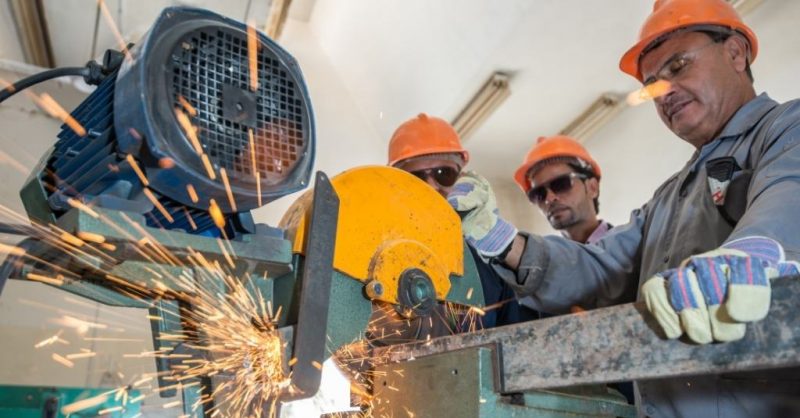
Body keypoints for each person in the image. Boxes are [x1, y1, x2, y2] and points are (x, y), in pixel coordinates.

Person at [449, 0, 800, 416]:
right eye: (652, 85)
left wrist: (755, 254)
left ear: (736, 52)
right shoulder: (669, 196)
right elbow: (601, 268)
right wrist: (502, 240)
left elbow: (788, 192)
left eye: (678, 66)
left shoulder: (784, 129)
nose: (664, 93)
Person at [388, 113, 539, 328]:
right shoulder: (381, 256)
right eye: (417, 178)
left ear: (462, 177)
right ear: (397, 185)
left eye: (444, 173)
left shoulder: (490, 263)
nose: (432, 187)